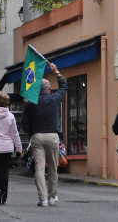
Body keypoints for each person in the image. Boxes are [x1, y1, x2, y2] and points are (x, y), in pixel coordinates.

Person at [22, 63, 68, 207]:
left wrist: (32, 133)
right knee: (53, 168)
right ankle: (53, 196)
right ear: (48, 89)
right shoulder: (54, 99)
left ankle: (43, 199)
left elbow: (25, 124)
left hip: (37, 136)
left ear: (37, 89)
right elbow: (64, 88)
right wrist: (57, 72)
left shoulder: (30, 103)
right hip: (53, 136)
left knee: (40, 168)